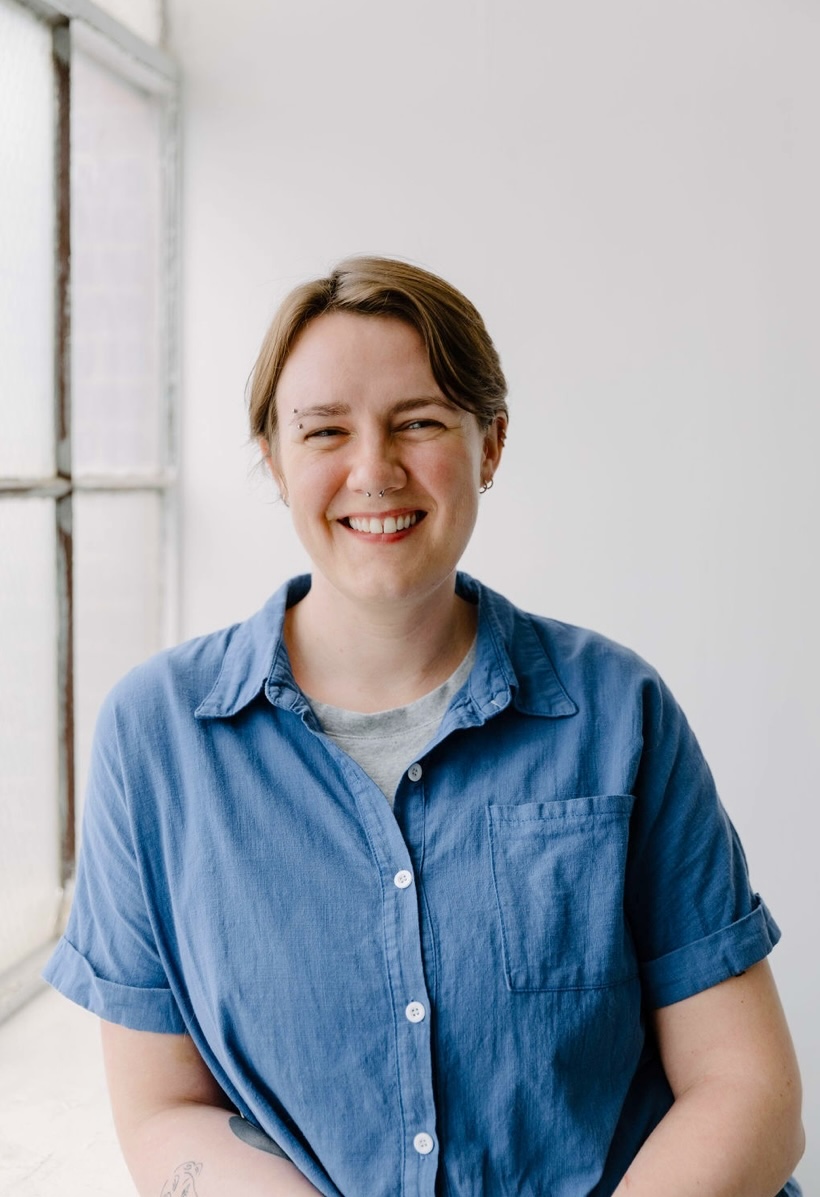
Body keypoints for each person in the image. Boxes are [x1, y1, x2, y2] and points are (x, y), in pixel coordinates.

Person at [44, 256, 804, 1197]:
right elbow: (164, 1111)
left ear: (489, 445)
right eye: (325, 431)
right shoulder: (155, 736)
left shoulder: (618, 711)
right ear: (275, 459)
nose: (374, 470)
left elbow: (750, 1090)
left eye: (419, 421)